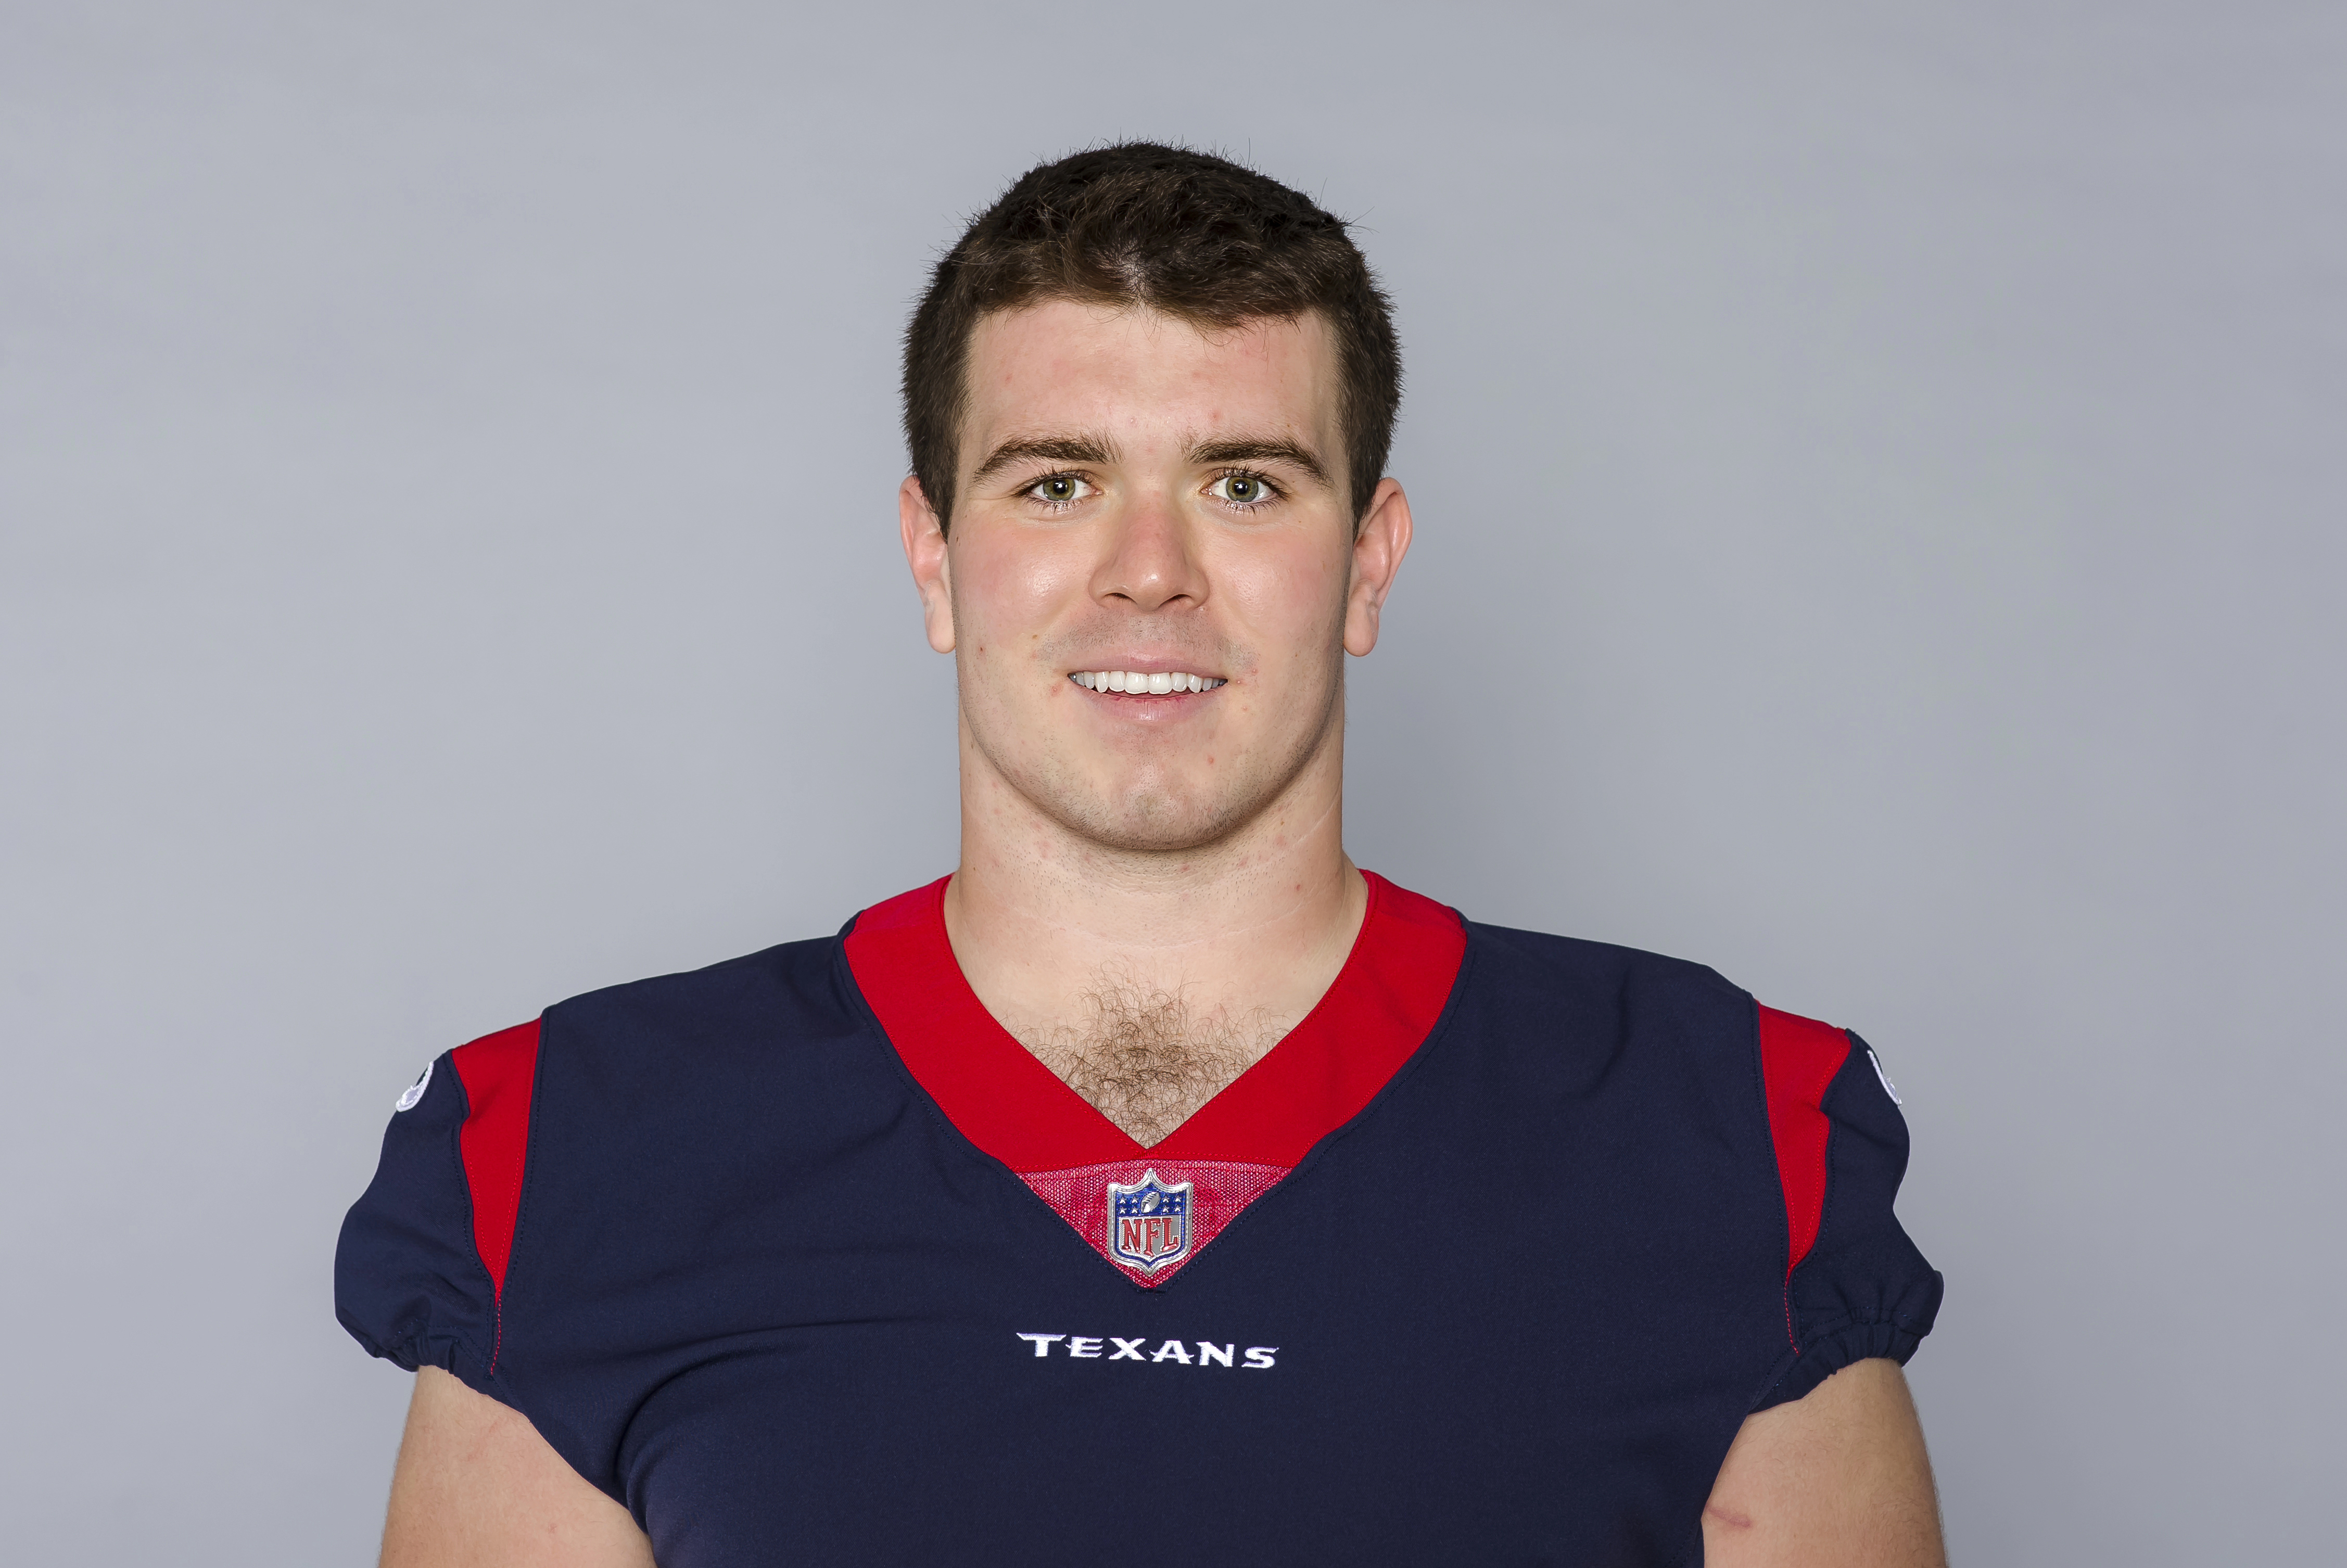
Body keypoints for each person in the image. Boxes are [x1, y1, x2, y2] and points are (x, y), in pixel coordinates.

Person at [338, 143, 1946, 1567]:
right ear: (936, 558)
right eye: (1057, 482)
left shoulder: (1726, 1131)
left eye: (1244, 484)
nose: (1151, 573)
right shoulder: (570, 1150)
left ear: (1369, 564)